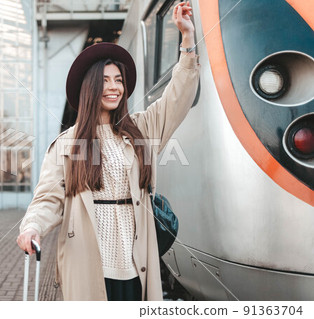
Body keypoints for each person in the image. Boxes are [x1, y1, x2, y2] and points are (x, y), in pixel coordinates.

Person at [17, 2, 200, 301]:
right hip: (89, 263)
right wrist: (32, 227)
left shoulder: (142, 129)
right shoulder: (66, 144)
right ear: (89, 88)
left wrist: (187, 38)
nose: (114, 87)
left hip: (135, 264)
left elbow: (178, 96)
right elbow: (48, 197)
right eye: (104, 81)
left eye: (118, 80)